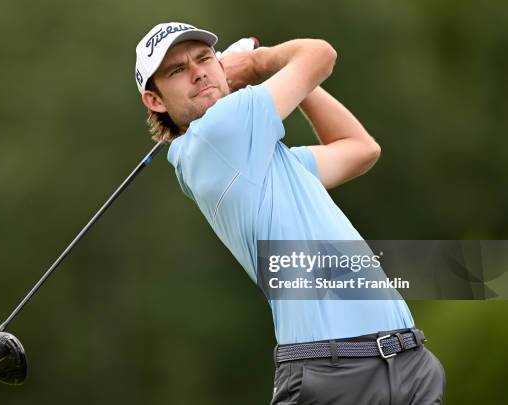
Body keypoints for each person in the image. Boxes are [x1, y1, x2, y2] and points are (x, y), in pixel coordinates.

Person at [135, 22, 446, 404]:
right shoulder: (214, 135)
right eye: (177, 70)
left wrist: (286, 82)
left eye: (204, 59)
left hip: (408, 362)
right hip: (333, 373)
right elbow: (320, 54)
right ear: (156, 100)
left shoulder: (256, 161)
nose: (198, 71)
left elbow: (360, 149)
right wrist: (258, 63)